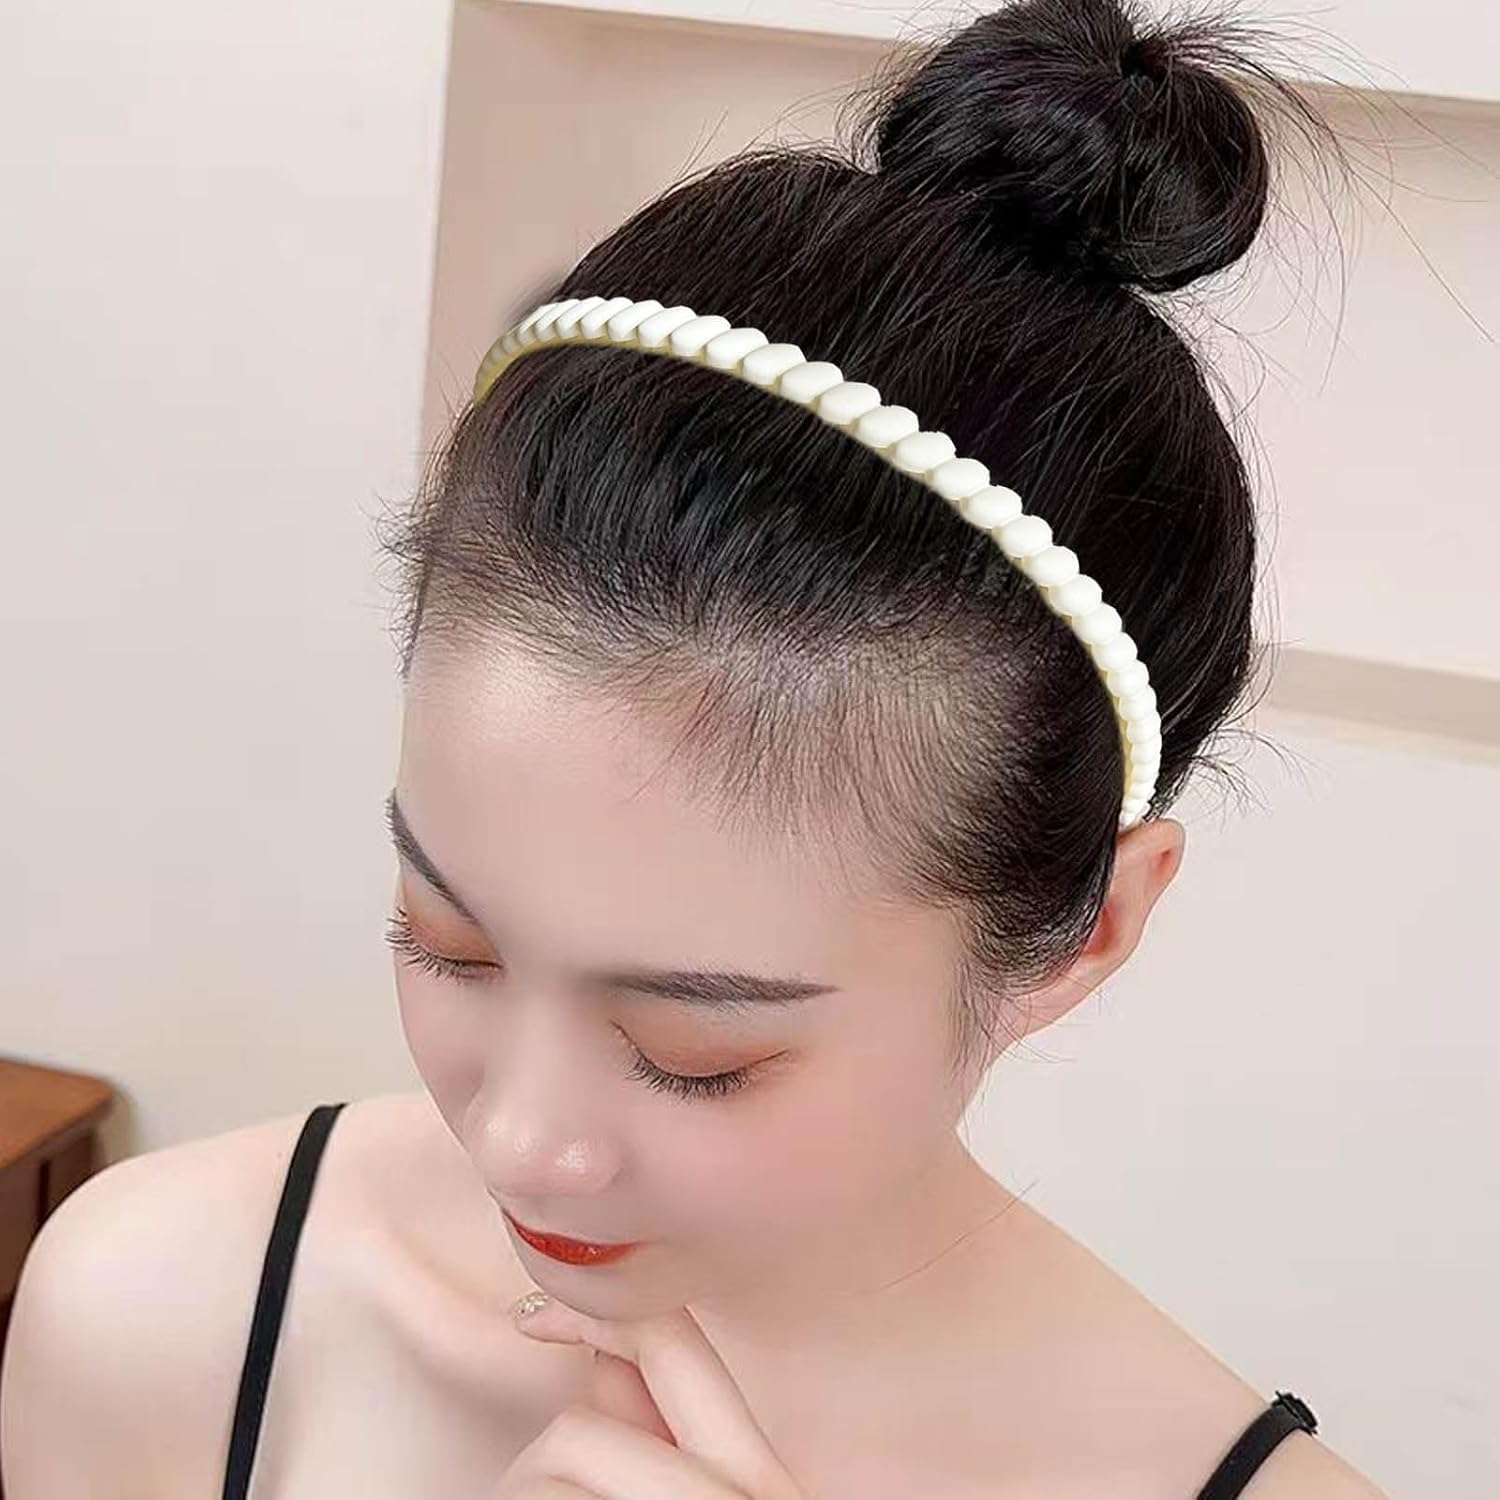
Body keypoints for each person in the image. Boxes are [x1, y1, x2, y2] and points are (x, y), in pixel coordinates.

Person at [1, 0, 1390, 1495]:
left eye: (695, 1057)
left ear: (1087, 929)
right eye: (447, 942)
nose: (521, 1141)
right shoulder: (164, 1310)